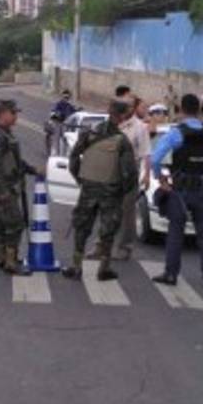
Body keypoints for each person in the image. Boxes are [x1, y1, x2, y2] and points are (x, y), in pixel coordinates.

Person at [149, 93, 203, 289]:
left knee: (175, 232)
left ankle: (171, 274)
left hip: (180, 190)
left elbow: (155, 159)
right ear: (198, 110)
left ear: (180, 110)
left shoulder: (176, 133)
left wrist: (160, 178)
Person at [63, 99, 139, 281]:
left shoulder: (90, 133)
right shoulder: (122, 141)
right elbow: (130, 174)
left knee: (82, 227)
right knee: (108, 231)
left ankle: (76, 267)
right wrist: (120, 191)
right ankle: (103, 269)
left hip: (89, 189)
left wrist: (82, 180)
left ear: (108, 111)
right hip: (110, 193)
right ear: (122, 117)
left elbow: (73, 158)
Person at [0, 99, 43, 275]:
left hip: (11, 186)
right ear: (2, 114)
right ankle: (11, 262)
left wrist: (33, 169)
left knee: (1, 221)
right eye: (13, 113)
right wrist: (2, 192)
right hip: (5, 188)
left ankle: (1, 257)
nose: (16, 116)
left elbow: (16, 162)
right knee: (15, 223)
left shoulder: (6, 134)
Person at [110, 95, 151, 261]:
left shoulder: (140, 127)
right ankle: (103, 246)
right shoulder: (112, 123)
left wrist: (146, 175)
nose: (124, 109)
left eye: (127, 106)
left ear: (132, 109)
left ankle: (125, 247)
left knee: (127, 212)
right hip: (110, 172)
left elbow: (146, 153)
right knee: (108, 210)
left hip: (129, 173)